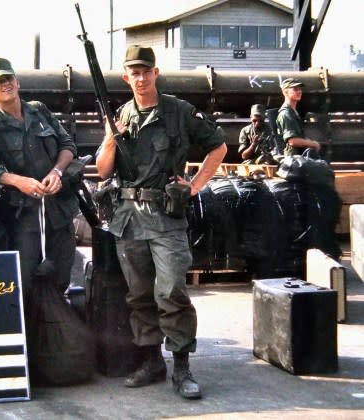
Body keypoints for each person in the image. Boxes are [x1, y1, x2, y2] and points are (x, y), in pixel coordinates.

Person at [96, 45, 227, 399]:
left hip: (167, 218)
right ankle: (151, 360)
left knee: (171, 291)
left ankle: (181, 366)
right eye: (133, 73)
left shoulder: (179, 111)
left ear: (156, 73)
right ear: (126, 77)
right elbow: (103, 170)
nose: (140, 78)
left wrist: (196, 186)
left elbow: (219, 147)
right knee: (139, 296)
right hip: (128, 220)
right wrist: (111, 138)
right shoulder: (120, 115)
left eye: (145, 71)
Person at [0, 57, 79, 304]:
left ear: (17, 82)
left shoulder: (39, 110)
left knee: (61, 279)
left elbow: (68, 145)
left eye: (8, 78)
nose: (5, 84)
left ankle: (56, 335)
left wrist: (57, 172)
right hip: (24, 216)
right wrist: (19, 181)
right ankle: (30, 338)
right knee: (24, 284)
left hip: (59, 211)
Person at [275, 78, 321, 157]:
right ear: (285, 92)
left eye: (300, 89)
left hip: (298, 157)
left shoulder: (293, 112)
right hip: (292, 160)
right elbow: (292, 141)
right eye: (295, 89)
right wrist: (313, 144)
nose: (299, 91)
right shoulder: (286, 113)